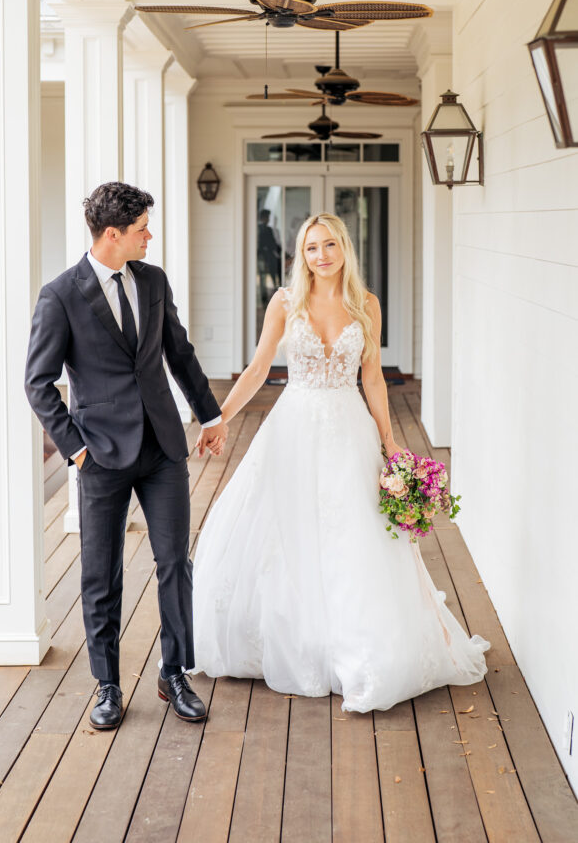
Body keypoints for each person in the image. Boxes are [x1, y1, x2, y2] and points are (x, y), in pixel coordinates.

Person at [192, 213, 489, 712]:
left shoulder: (365, 304)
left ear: (345, 249)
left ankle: (352, 646)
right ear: (300, 255)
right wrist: (217, 418)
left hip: (349, 427)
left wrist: (391, 444)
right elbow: (260, 367)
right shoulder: (286, 303)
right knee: (288, 530)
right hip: (293, 427)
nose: (321, 255)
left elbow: (372, 378)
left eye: (330, 245)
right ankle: (294, 640)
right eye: (311, 248)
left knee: (354, 534)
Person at [25, 183, 227, 729]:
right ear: (112, 234)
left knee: (173, 564)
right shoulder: (60, 295)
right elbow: (38, 383)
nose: (150, 236)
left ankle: (174, 672)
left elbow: (179, 353)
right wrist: (77, 450)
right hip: (101, 456)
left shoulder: (153, 282)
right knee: (101, 575)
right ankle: (108, 685)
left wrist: (210, 416)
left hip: (162, 448)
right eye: (142, 229)